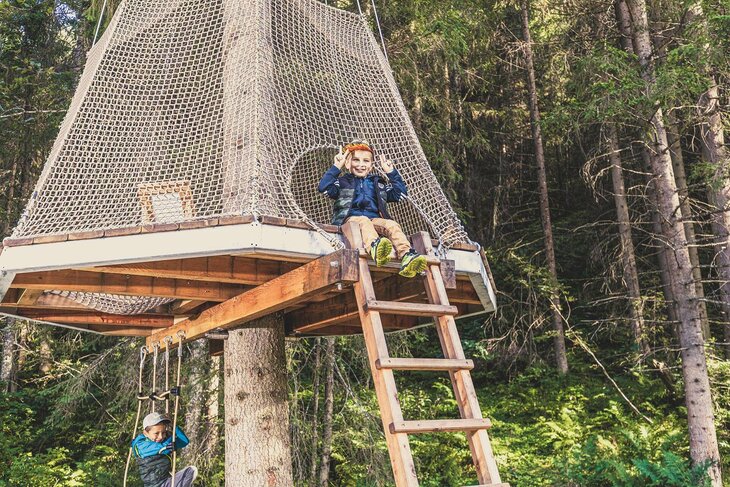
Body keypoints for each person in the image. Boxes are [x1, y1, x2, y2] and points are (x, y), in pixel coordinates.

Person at [318, 140, 427, 278]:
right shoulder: (342, 182)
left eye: (366, 161)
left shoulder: (377, 183)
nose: (361, 164)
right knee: (363, 220)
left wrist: (391, 172)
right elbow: (323, 188)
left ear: (371, 165)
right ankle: (375, 247)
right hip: (350, 221)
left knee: (391, 224)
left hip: (374, 220)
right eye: (356, 160)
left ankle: (407, 255)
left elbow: (401, 194)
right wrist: (336, 167)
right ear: (348, 163)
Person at [132, 412, 198, 487]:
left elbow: (184, 441)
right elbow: (160, 448)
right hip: (156, 485)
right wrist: (169, 444)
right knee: (191, 471)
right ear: (146, 433)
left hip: (166, 481)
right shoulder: (140, 445)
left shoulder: (165, 441)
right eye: (156, 433)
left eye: (163, 432)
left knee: (190, 471)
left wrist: (174, 426)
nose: (160, 437)